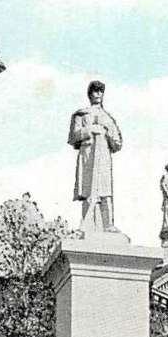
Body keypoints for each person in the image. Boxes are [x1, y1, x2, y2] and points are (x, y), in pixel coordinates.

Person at [68, 81, 123, 231]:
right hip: (88, 155)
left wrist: (107, 131)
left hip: (103, 156)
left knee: (105, 191)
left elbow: (117, 143)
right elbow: (73, 137)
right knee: (88, 191)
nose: (98, 94)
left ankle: (108, 224)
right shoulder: (81, 114)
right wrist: (90, 130)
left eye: (101, 91)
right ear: (90, 94)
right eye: (95, 91)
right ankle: (87, 224)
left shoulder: (108, 118)